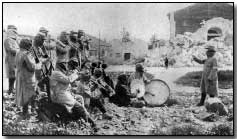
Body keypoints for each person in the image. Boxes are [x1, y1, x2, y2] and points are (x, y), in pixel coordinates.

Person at [49, 61, 97, 129]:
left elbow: (67, 83)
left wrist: (77, 74)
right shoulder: (56, 73)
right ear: (60, 65)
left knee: (80, 99)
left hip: (62, 95)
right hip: (60, 96)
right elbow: (68, 80)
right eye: (65, 64)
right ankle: (91, 124)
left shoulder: (58, 73)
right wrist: (76, 73)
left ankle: (84, 119)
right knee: (79, 106)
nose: (67, 66)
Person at [15, 39, 42, 118]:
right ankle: (26, 113)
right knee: (28, 94)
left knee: (22, 94)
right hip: (27, 77)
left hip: (20, 75)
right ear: (27, 46)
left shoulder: (18, 52)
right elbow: (32, 67)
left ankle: (25, 112)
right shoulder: (26, 54)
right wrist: (39, 62)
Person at [4, 25, 19, 95]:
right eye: (14, 31)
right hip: (10, 60)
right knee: (11, 76)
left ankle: (12, 89)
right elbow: (10, 49)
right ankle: (10, 90)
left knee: (14, 75)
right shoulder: (7, 40)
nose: (15, 33)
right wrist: (19, 51)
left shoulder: (14, 40)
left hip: (14, 59)